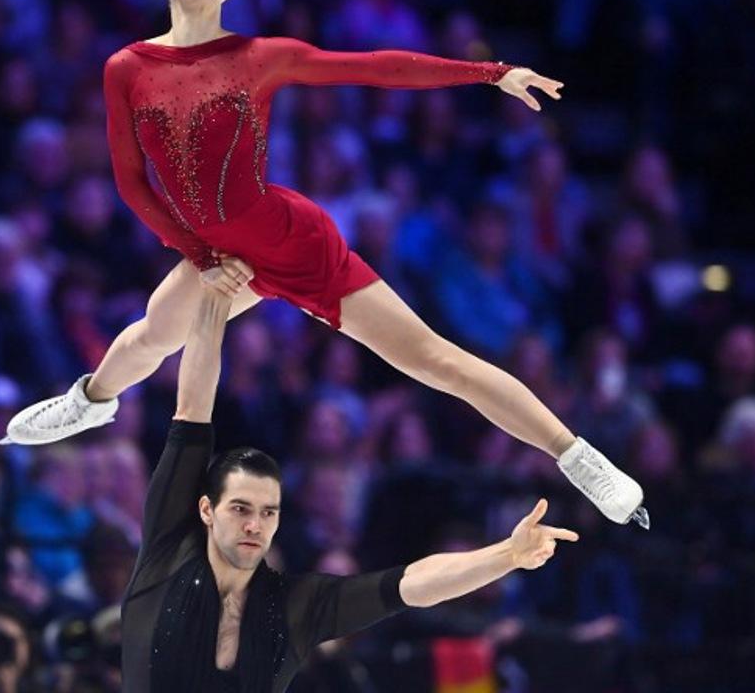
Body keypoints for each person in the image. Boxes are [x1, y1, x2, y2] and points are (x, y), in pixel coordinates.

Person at [2, 0, 647, 529]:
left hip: (291, 240)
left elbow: (377, 67)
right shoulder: (127, 68)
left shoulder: (262, 56)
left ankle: (581, 460)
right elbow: (131, 182)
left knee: (434, 361)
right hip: (219, 251)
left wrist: (490, 72)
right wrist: (200, 256)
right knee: (148, 338)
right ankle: (88, 402)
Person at [118, 279, 580, 692]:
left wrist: (508, 556)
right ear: (206, 511)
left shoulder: (293, 609)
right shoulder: (166, 553)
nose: (255, 524)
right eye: (240, 508)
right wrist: (213, 301)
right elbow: (192, 410)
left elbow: (412, 584)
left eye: (268, 512)